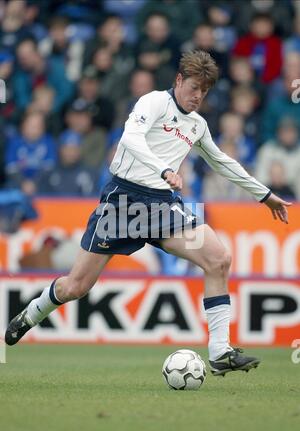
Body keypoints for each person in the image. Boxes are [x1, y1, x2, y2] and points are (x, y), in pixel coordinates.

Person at [5, 51, 291, 377]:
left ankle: (220, 351)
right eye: (194, 87)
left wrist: (264, 195)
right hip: (123, 201)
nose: (198, 96)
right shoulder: (154, 102)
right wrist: (165, 168)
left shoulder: (197, 125)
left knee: (218, 259)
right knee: (76, 286)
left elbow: (222, 162)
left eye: (205, 91)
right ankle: (30, 314)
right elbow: (131, 139)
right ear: (179, 81)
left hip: (164, 205)